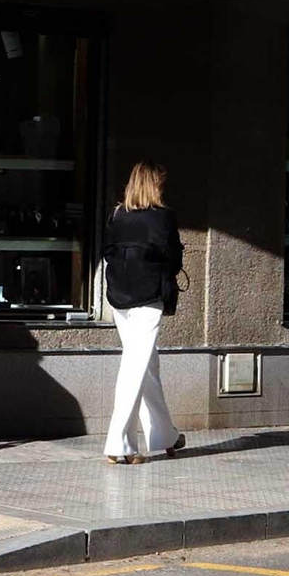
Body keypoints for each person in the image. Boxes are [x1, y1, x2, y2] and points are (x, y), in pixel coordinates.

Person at [101, 161, 186, 465]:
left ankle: (165, 436)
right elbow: (174, 259)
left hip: (120, 296)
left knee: (147, 367)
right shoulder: (163, 218)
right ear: (154, 184)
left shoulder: (118, 215)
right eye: (161, 182)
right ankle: (119, 443)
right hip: (149, 296)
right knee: (136, 367)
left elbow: (107, 252)